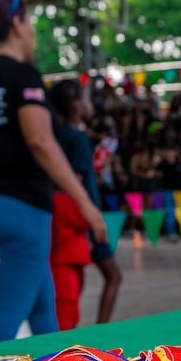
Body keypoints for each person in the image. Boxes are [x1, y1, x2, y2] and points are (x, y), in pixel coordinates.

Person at [0, 0, 108, 344]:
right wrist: (86, 204)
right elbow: (41, 142)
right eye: (30, 22)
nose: (33, 31)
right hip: (20, 209)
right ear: (15, 23)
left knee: (43, 310)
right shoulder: (21, 75)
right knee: (8, 317)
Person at [49, 79, 122, 329]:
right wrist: (91, 219)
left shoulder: (57, 136)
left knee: (68, 289)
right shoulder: (76, 139)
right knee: (111, 277)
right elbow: (73, 186)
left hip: (71, 221)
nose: (91, 104)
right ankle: (102, 330)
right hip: (81, 220)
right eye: (87, 98)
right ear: (76, 105)